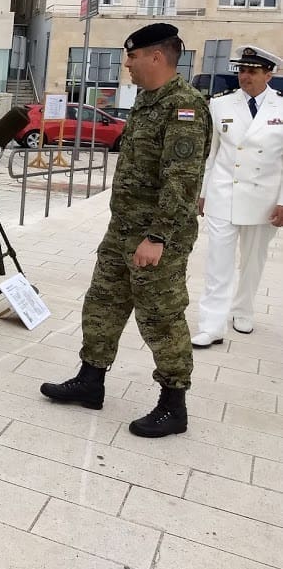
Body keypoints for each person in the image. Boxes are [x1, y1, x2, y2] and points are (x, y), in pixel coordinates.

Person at [40, 23, 212, 438]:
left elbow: (181, 181)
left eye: (132, 57)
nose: (127, 65)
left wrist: (158, 237)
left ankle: (173, 405)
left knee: (160, 317)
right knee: (103, 302)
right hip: (123, 229)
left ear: (157, 56)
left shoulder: (184, 106)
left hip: (156, 237)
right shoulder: (147, 101)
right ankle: (90, 380)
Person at [192, 45, 283, 347]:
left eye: (252, 71)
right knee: (218, 263)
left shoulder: (281, 107)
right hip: (224, 192)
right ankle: (212, 325)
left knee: (253, 261)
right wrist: (203, 192)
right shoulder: (220, 104)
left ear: (269, 74)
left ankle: (243, 310)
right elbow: (211, 153)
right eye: (242, 70)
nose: (245, 76)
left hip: (263, 198)